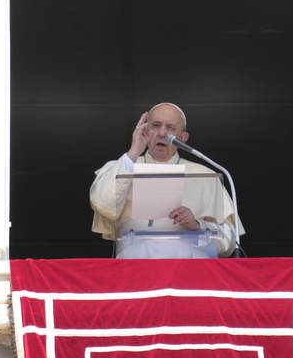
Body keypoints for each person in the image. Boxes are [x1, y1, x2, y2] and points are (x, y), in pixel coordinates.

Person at [90, 103, 244, 258]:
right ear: (145, 131)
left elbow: (230, 242)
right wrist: (133, 153)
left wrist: (197, 226)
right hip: (135, 273)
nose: (162, 133)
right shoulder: (123, 168)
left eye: (170, 127)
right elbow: (103, 203)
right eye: (156, 125)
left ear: (182, 138)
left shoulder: (205, 175)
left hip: (190, 275)